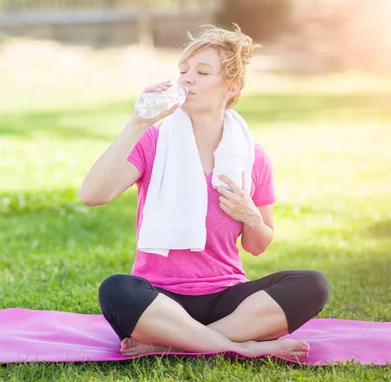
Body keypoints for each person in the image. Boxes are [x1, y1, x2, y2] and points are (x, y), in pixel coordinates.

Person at [79, 24, 329, 361]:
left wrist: (252, 217)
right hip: (160, 300)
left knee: (312, 284)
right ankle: (243, 347)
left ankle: (176, 343)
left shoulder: (252, 157)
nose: (186, 79)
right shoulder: (154, 142)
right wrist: (137, 123)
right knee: (116, 290)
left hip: (227, 300)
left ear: (231, 86)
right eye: (183, 71)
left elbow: (258, 245)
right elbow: (93, 194)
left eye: (201, 72)